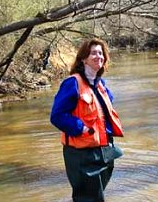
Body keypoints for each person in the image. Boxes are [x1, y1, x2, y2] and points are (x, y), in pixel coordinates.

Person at [50, 38, 124, 202]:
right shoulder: (72, 83)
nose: (99, 56)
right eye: (93, 53)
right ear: (84, 58)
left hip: (105, 151)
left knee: (94, 197)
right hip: (81, 154)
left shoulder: (101, 85)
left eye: (101, 53)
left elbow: (105, 112)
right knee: (89, 199)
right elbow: (57, 116)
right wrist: (81, 128)